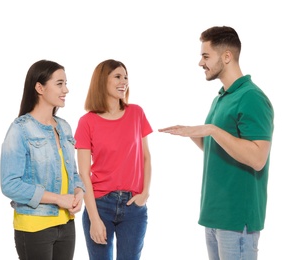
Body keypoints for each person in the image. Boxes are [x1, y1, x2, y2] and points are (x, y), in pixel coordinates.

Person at [159, 26, 274, 260]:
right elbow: (218, 150)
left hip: (236, 220)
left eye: (205, 56)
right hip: (214, 218)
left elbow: (257, 158)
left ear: (227, 56)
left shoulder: (252, 97)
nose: (200, 63)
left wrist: (212, 130)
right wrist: (194, 134)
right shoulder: (221, 97)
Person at [0, 59, 85, 260]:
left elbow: (72, 173)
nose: (66, 89)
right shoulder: (19, 129)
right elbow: (9, 184)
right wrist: (57, 199)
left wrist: (79, 192)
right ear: (39, 87)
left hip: (66, 224)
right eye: (59, 84)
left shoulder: (64, 127)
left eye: (66, 83)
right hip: (34, 226)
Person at [74, 59, 153, 260]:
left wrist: (145, 193)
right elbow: (83, 173)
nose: (123, 81)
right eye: (117, 76)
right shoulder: (87, 122)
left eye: (125, 77)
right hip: (100, 205)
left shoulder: (136, 113)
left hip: (133, 206)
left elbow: (146, 157)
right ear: (102, 81)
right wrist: (93, 218)